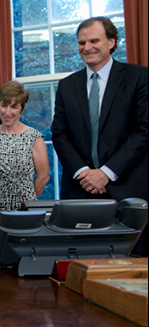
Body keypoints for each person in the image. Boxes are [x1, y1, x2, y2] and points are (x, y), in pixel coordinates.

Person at [51, 17, 148, 255]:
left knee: (133, 264)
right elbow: (59, 134)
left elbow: (143, 131)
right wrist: (84, 173)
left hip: (128, 188)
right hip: (79, 190)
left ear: (112, 42)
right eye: (82, 42)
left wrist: (105, 173)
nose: (87, 47)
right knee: (83, 262)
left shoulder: (138, 77)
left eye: (94, 40)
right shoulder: (67, 85)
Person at [0, 80, 50, 243]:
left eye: (14, 107)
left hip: (24, 210)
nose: (7, 112)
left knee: (24, 253)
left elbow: (43, 177)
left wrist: (27, 199)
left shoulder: (34, 136)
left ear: (22, 108)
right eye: (4, 105)